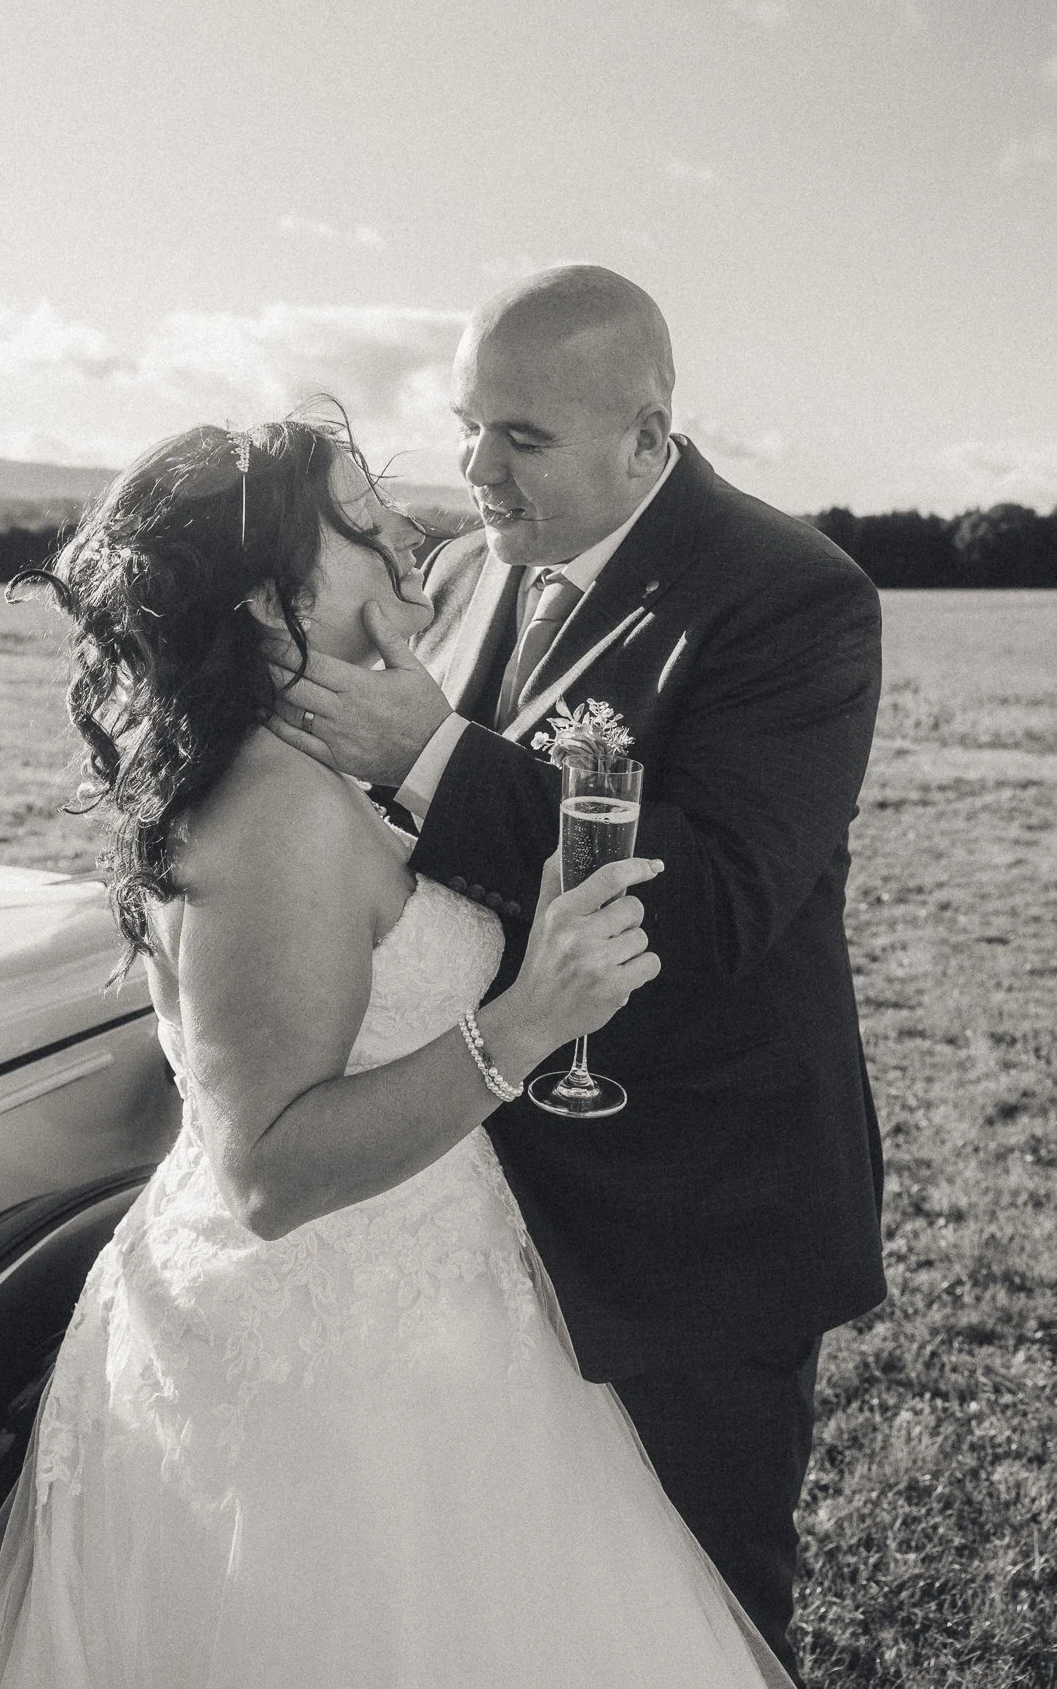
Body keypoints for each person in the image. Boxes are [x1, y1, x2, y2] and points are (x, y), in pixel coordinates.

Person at [0, 410, 794, 1689]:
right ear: (271, 601)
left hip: (430, 1312)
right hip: (323, 1384)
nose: (410, 530)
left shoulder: (314, 770)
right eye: (362, 518)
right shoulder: (276, 816)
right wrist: (524, 1024)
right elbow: (266, 1170)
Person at [270, 269, 887, 1686]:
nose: (476, 470)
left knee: (701, 1613)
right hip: (484, 1204)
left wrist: (426, 757)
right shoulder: (479, 566)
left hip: (700, 1213)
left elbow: (717, 901)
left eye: (521, 439)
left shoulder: (796, 599)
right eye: (467, 425)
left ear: (648, 440)